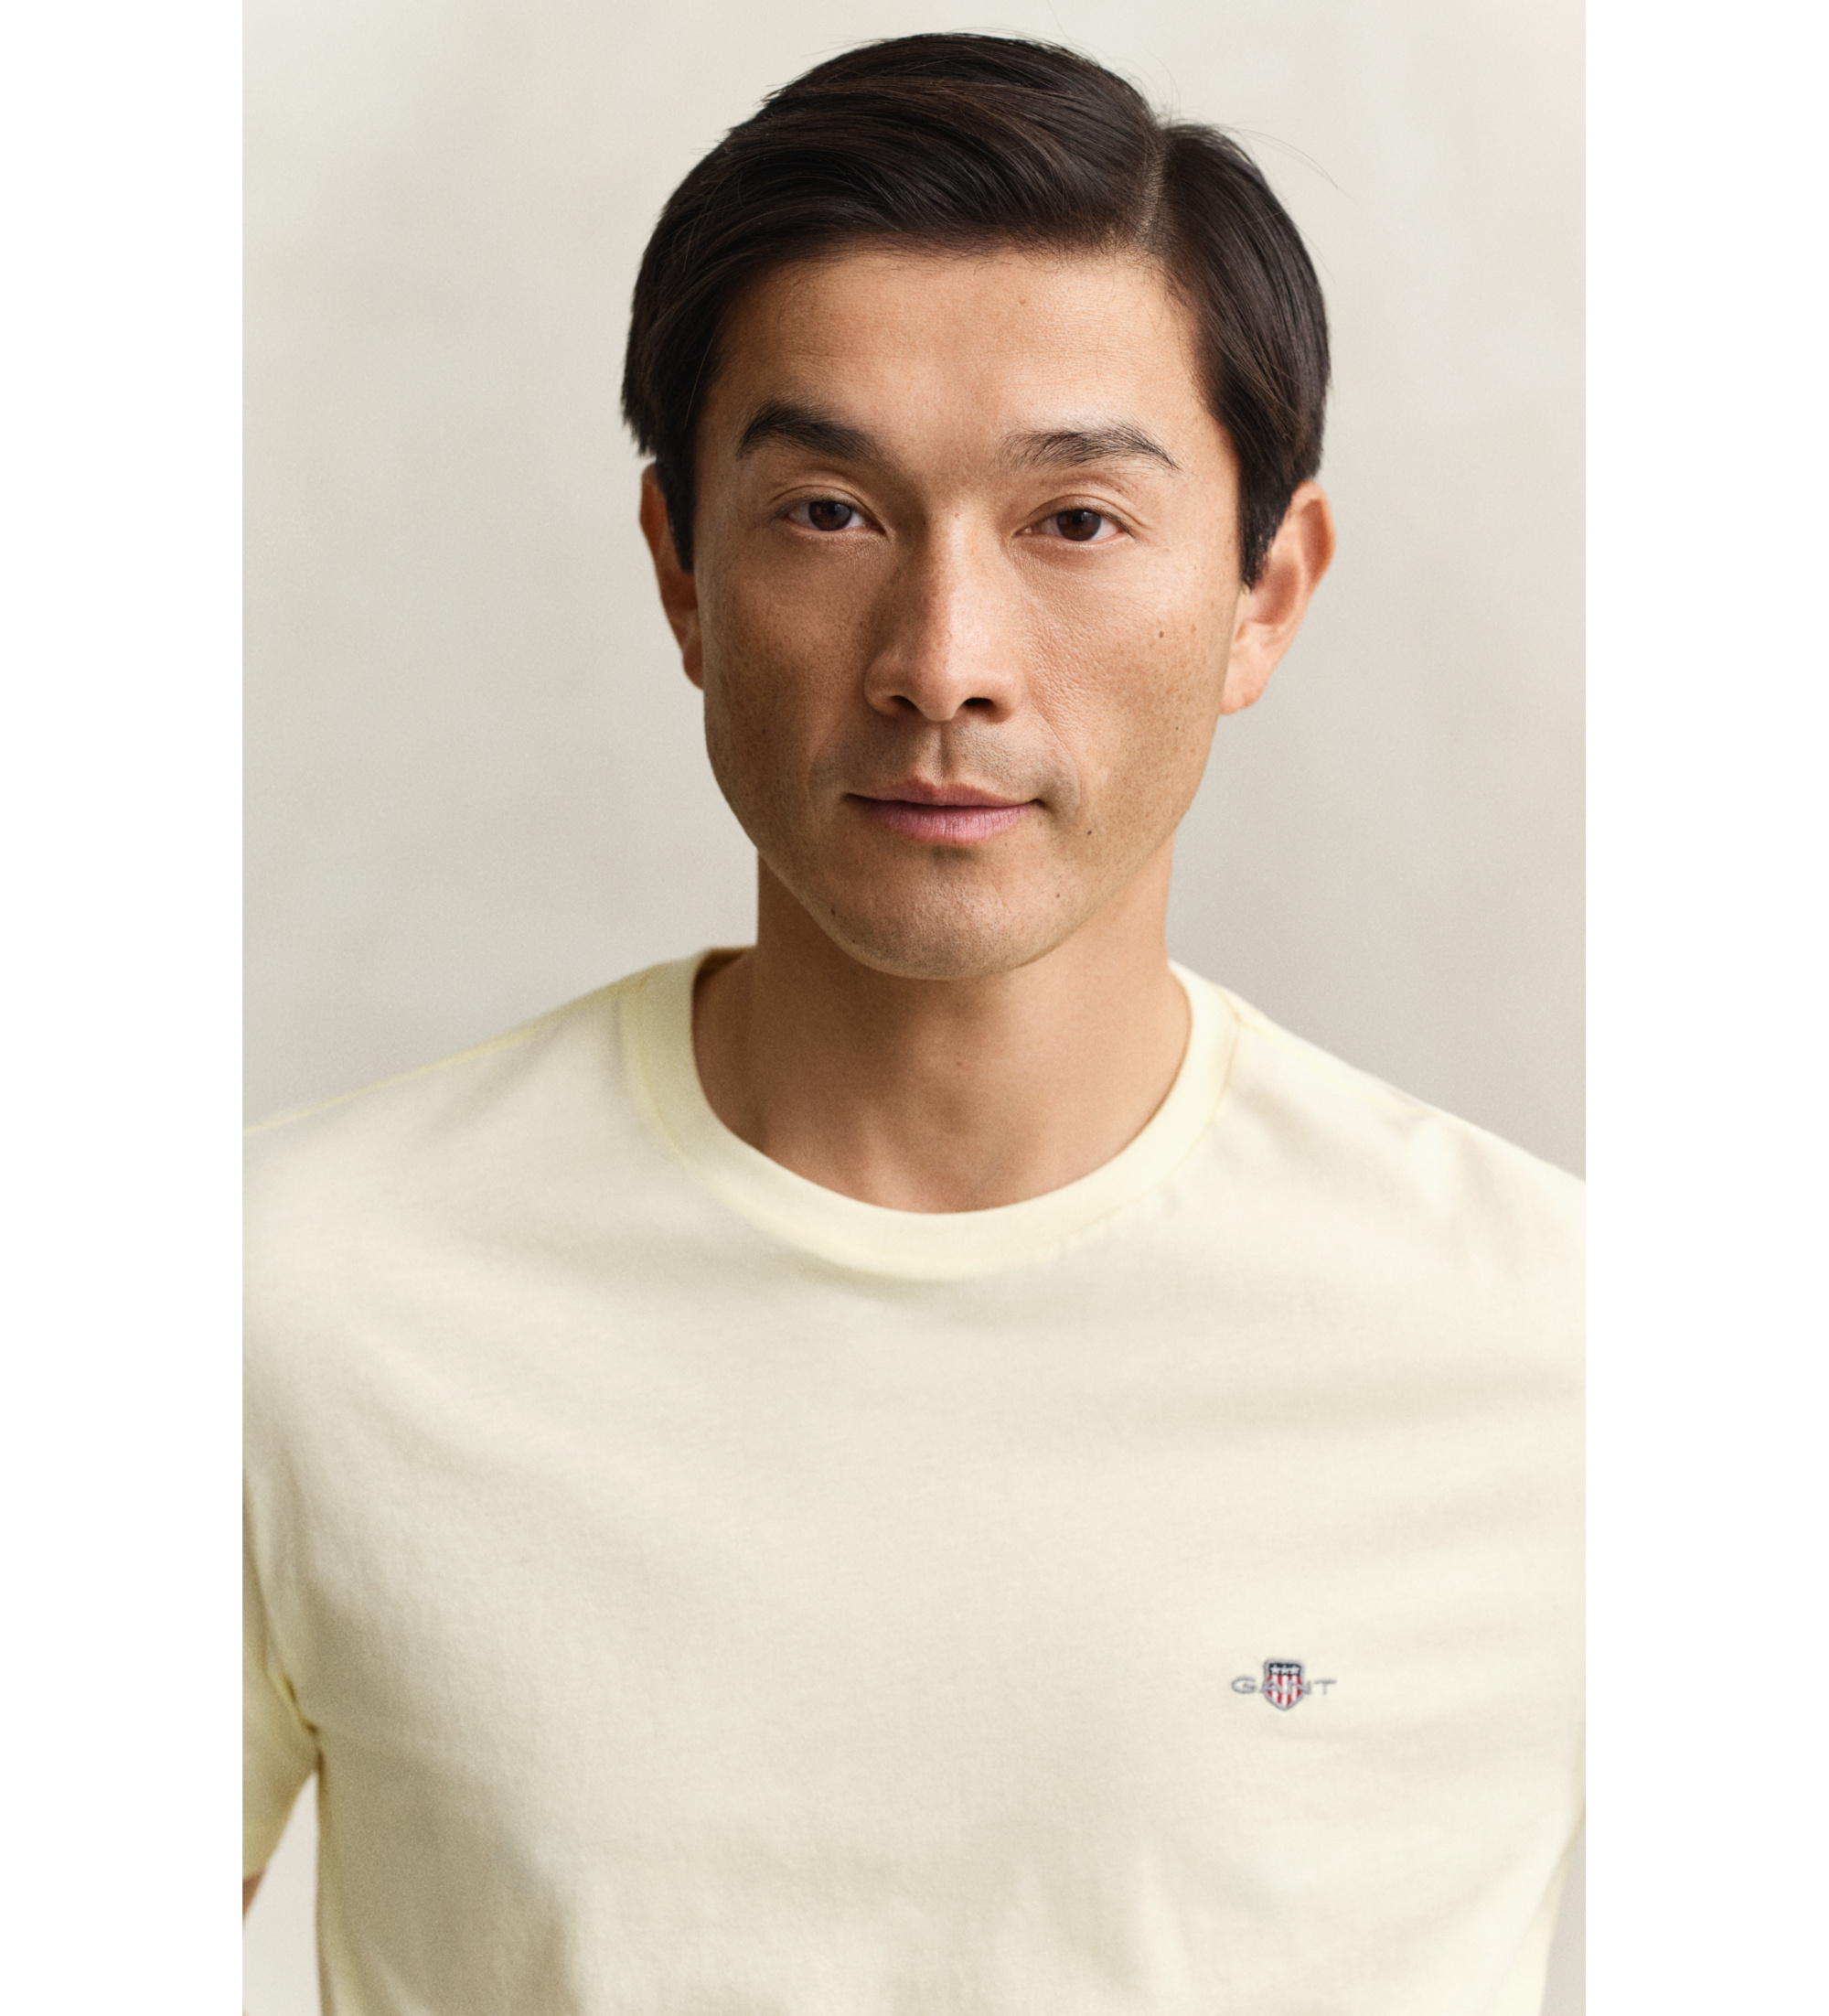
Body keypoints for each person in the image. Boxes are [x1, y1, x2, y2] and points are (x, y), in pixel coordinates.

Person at [245, 33, 1580, 2014]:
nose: (942, 664)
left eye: (1074, 520)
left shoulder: (1577, 1353)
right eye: (828, 511)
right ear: (680, 572)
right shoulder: (285, 1298)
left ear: (1266, 593)